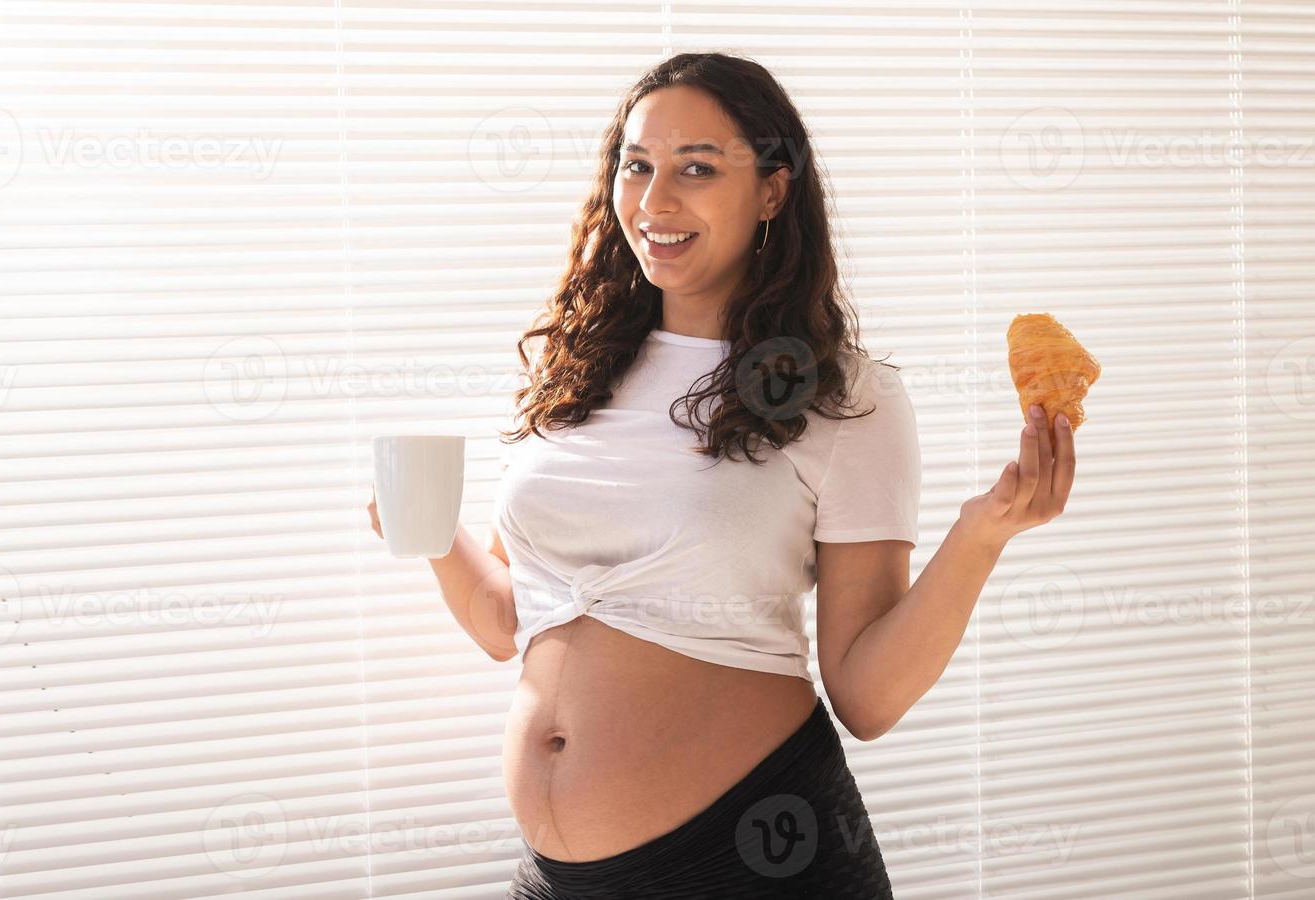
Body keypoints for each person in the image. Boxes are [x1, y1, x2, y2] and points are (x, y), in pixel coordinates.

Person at [368, 51, 1077, 899]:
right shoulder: (574, 372)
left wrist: (982, 534)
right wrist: (429, 529)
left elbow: (866, 696)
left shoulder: (843, 396)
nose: (655, 201)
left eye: (697, 169)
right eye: (637, 166)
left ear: (772, 190)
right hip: (560, 878)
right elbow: (506, 622)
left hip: (753, 861)